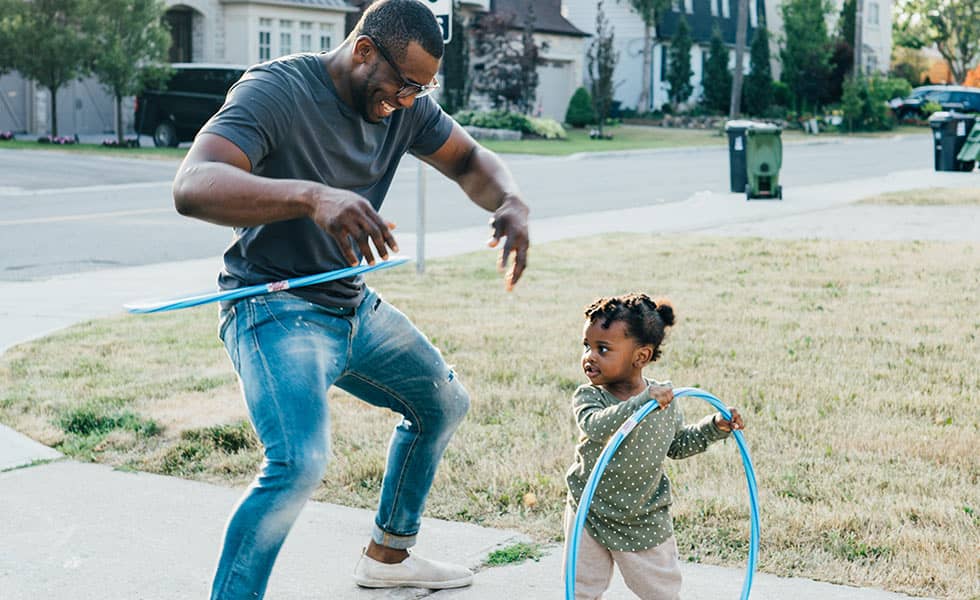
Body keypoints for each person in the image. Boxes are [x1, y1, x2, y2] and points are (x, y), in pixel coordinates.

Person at [171, 1, 530, 597]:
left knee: (442, 403)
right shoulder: (276, 91)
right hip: (273, 305)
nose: (411, 100)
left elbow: (468, 159)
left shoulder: (404, 108)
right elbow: (192, 185)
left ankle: (388, 557)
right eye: (405, 84)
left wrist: (510, 201)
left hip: (350, 305)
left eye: (424, 88)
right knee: (298, 463)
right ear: (364, 51)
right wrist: (312, 197)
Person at [563, 293, 744, 600]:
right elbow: (596, 426)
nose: (589, 356)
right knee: (581, 588)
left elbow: (677, 444)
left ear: (641, 357)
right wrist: (640, 403)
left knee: (661, 591)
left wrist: (714, 427)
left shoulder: (662, 402)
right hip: (589, 509)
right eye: (587, 346)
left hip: (642, 516)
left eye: (602, 349)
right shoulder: (590, 397)